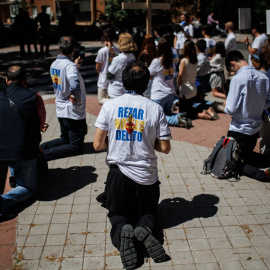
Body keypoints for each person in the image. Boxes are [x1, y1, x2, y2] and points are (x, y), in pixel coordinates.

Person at [93, 61, 170, 269]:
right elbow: (165, 147)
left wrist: (117, 140)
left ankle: (123, 233)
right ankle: (145, 227)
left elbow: (97, 144)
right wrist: (146, 140)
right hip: (146, 176)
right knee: (150, 212)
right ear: (147, 84)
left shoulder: (109, 105)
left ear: (123, 81)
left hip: (117, 175)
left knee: (117, 214)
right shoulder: (156, 108)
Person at [0, 66, 41, 221]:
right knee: (28, 188)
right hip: (23, 151)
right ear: (25, 81)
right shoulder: (32, 97)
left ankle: (14, 176)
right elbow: (40, 122)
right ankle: (3, 202)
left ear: (7, 81)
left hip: (2, 150)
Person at [225, 50, 270, 180]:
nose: (233, 73)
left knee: (233, 163)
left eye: (231, 70)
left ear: (232, 64)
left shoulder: (238, 79)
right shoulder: (263, 77)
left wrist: (225, 105)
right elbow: (267, 102)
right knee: (247, 155)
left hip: (239, 129)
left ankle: (263, 175)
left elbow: (230, 108)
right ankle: (267, 161)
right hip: (255, 128)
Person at [40, 36, 87, 161]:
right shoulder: (69, 66)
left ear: (59, 48)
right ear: (74, 49)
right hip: (72, 111)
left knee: (64, 139)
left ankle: (42, 147)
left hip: (61, 107)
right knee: (75, 146)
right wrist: (75, 96)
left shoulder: (55, 64)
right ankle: (43, 155)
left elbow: (65, 79)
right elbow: (74, 83)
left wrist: (75, 67)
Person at [149, 38, 191, 128]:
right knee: (167, 114)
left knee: (156, 118)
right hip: (170, 94)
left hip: (158, 95)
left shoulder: (157, 61)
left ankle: (177, 119)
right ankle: (179, 116)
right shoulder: (171, 61)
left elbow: (148, 74)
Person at [107, 33, 137, 98]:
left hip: (116, 91)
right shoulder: (132, 56)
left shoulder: (118, 59)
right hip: (127, 89)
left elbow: (109, 75)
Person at [95, 28, 119, 105]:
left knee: (100, 100)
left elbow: (98, 66)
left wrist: (101, 73)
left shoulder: (101, 51)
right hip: (113, 80)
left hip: (103, 79)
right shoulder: (117, 51)